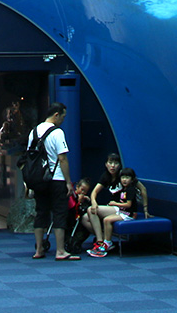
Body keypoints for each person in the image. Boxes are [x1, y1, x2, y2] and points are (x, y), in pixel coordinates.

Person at [28, 102, 79, 260]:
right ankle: (60, 251)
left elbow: (29, 157)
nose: (63, 120)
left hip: (38, 179)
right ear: (56, 115)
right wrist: (68, 182)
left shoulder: (34, 131)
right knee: (59, 213)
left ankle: (39, 250)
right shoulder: (57, 133)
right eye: (63, 116)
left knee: (41, 212)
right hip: (56, 178)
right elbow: (62, 158)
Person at [87, 168, 152, 257]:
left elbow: (128, 204)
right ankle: (107, 243)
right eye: (123, 177)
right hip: (123, 212)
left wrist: (115, 203)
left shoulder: (130, 190)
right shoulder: (124, 189)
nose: (124, 180)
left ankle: (107, 243)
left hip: (129, 214)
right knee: (106, 220)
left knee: (107, 220)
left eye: (127, 177)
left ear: (132, 179)